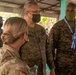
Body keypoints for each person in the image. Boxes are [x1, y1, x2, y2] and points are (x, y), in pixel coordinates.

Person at [20, 1, 55, 75]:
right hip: (26, 71)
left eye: (39, 11)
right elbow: (14, 52)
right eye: (35, 12)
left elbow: (47, 49)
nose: (38, 14)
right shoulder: (20, 29)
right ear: (27, 13)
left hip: (42, 71)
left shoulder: (41, 29)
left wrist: (52, 67)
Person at [49, 2, 76, 75]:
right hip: (62, 65)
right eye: (68, 10)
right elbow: (50, 47)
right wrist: (51, 66)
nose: (69, 12)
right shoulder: (58, 26)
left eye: (72, 11)